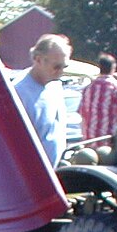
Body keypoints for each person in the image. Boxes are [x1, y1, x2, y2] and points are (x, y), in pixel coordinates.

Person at [13, 34, 72, 166]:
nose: (61, 72)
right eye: (57, 66)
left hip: (55, 170)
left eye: (64, 67)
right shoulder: (19, 93)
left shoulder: (55, 86)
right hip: (32, 174)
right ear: (38, 60)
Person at [77, 54, 117, 142]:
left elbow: (83, 116)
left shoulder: (88, 88)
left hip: (90, 140)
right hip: (108, 140)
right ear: (113, 67)